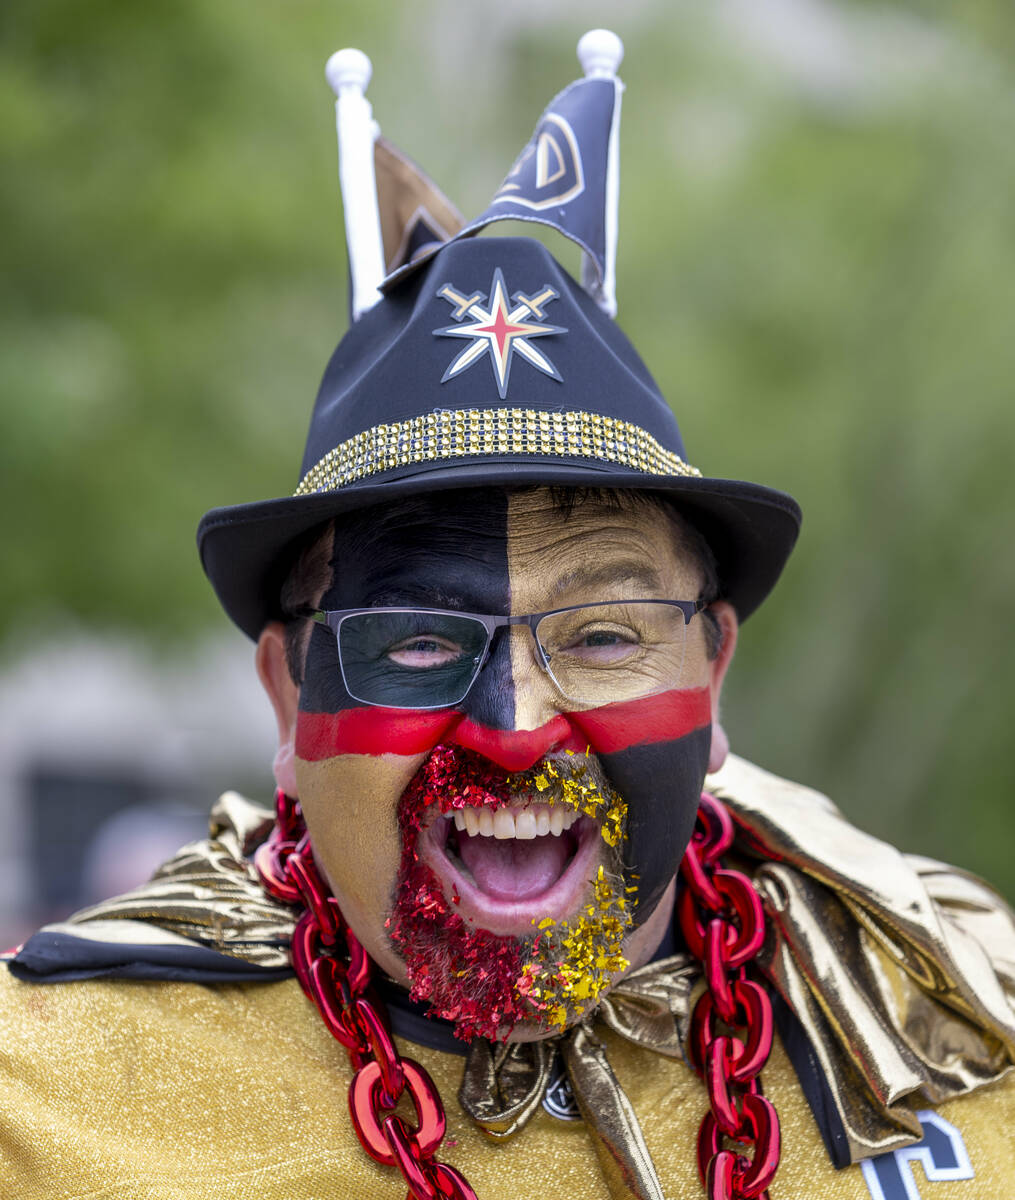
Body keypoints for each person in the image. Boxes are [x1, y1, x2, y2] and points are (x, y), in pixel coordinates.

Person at [2, 37, 1013, 1200]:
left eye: (601, 635)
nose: (516, 727)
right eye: (420, 640)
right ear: (288, 700)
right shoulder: (44, 1106)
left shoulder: (956, 1036)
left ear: (715, 673)